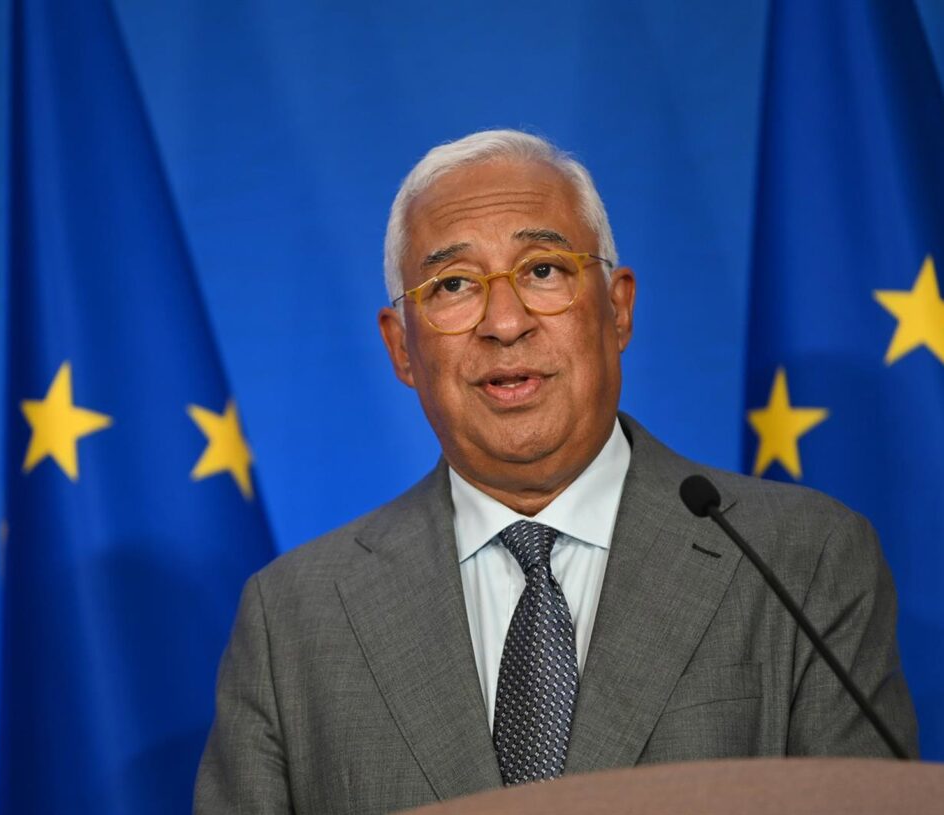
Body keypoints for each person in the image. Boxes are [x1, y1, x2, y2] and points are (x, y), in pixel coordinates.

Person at [194, 129, 918, 814]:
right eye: (452, 285)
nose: (504, 322)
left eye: (543, 271)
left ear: (618, 306)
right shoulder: (293, 618)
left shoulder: (801, 560)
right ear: (402, 349)